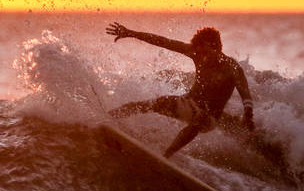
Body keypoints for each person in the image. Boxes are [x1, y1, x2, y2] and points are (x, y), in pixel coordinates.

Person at [105, 22, 254, 157]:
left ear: (214, 47)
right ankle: (107, 117)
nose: (202, 56)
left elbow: (245, 92)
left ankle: (167, 155)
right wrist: (131, 33)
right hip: (188, 103)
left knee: (199, 120)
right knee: (154, 103)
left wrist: (248, 113)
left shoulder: (232, 68)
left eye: (205, 52)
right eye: (199, 52)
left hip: (210, 117)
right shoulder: (197, 52)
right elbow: (163, 42)